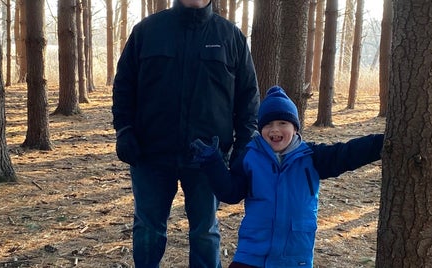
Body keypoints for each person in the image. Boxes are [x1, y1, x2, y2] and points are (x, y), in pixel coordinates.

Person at [111, 0, 260, 266]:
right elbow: (124, 85)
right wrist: (124, 130)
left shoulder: (230, 36)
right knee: (148, 228)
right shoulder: (147, 31)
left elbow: (248, 99)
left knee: (205, 232)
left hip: (208, 159)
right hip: (150, 154)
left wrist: (244, 146)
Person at [190, 86, 384, 268]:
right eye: (268, 125)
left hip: (294, 257)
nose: (275, 130)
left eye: (282, 123)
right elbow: (230, 192)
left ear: (295, 128)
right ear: (261, 129)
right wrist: (212, 163)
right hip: (252, 255)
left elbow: (346, 154)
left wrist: (381, 143)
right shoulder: (250, 157)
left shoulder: (311, 157)